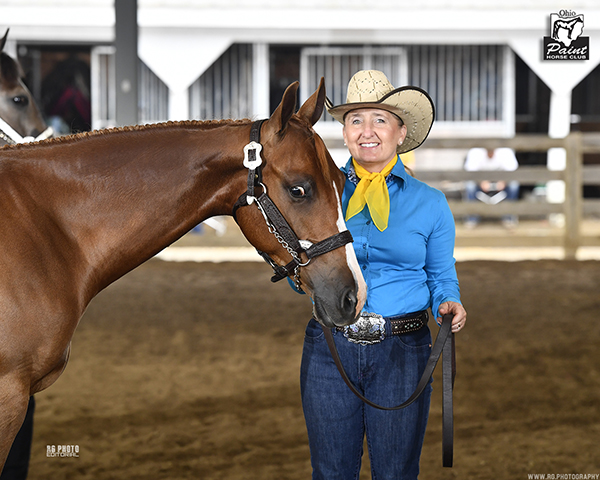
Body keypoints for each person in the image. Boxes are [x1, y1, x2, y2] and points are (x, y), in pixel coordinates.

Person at [299, 70, 467, 479]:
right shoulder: (319, 195)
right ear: (344, 132)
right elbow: (298, 266)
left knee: (396, 472)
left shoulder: (431, 203)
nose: (367, 130)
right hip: (331, 346)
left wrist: (448, 299)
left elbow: (441, 273)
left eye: (380, 119)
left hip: (403, 350)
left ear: (400, 131)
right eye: (356, 119)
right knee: (331, 471)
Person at [463, 147, 519, 228]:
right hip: (480, 184)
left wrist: (503, 181)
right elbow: (469, 171)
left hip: (501, 183)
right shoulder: (475, 152)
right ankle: (472, 218)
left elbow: (513, 170)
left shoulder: (506, 152)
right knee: (470, 185)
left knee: (514, 184)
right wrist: (481, 181)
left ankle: (509, 217)